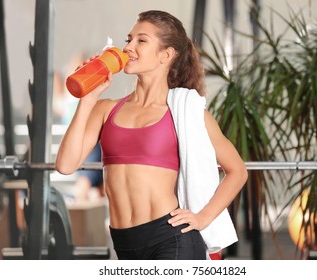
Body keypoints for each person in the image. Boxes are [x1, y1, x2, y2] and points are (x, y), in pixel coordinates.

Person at [55, 10, 248, 260]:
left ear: (165, 55)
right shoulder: (106, 109)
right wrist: (87, 99)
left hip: (170, 238)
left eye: (141, 41)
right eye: (129, 39)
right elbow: (65, 165)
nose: (128, 47)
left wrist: (202, 218)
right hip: (124, 244)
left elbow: (237, 171)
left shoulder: (185, 112)